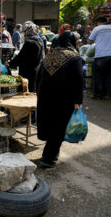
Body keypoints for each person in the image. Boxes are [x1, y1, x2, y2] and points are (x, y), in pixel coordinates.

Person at [36, 31, 84, 168]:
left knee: (50, 124)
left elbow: (39, 77)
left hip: (45, 97)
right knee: (59, 127)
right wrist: (78, 101)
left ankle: (52, 151)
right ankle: (48, 158)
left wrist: (38, 95)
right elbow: (78, 80)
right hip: (63, 99)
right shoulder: (74, 58)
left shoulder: (50, 55)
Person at [9, 21, 44, 92]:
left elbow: (20, 58)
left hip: (27, 74)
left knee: (25, 95)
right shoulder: (39, 41)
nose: (23, 34)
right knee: (33, 94)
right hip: (35, 72)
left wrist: (10, 64)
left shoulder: (29, 43)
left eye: (24, 32)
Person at [88, 16, 111, 100]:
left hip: (101, 55)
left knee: (98, 75)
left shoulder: (97, 28)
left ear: (99, 22)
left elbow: (90, 41)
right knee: (107, 75)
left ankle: (97, 94)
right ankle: (106, 94)